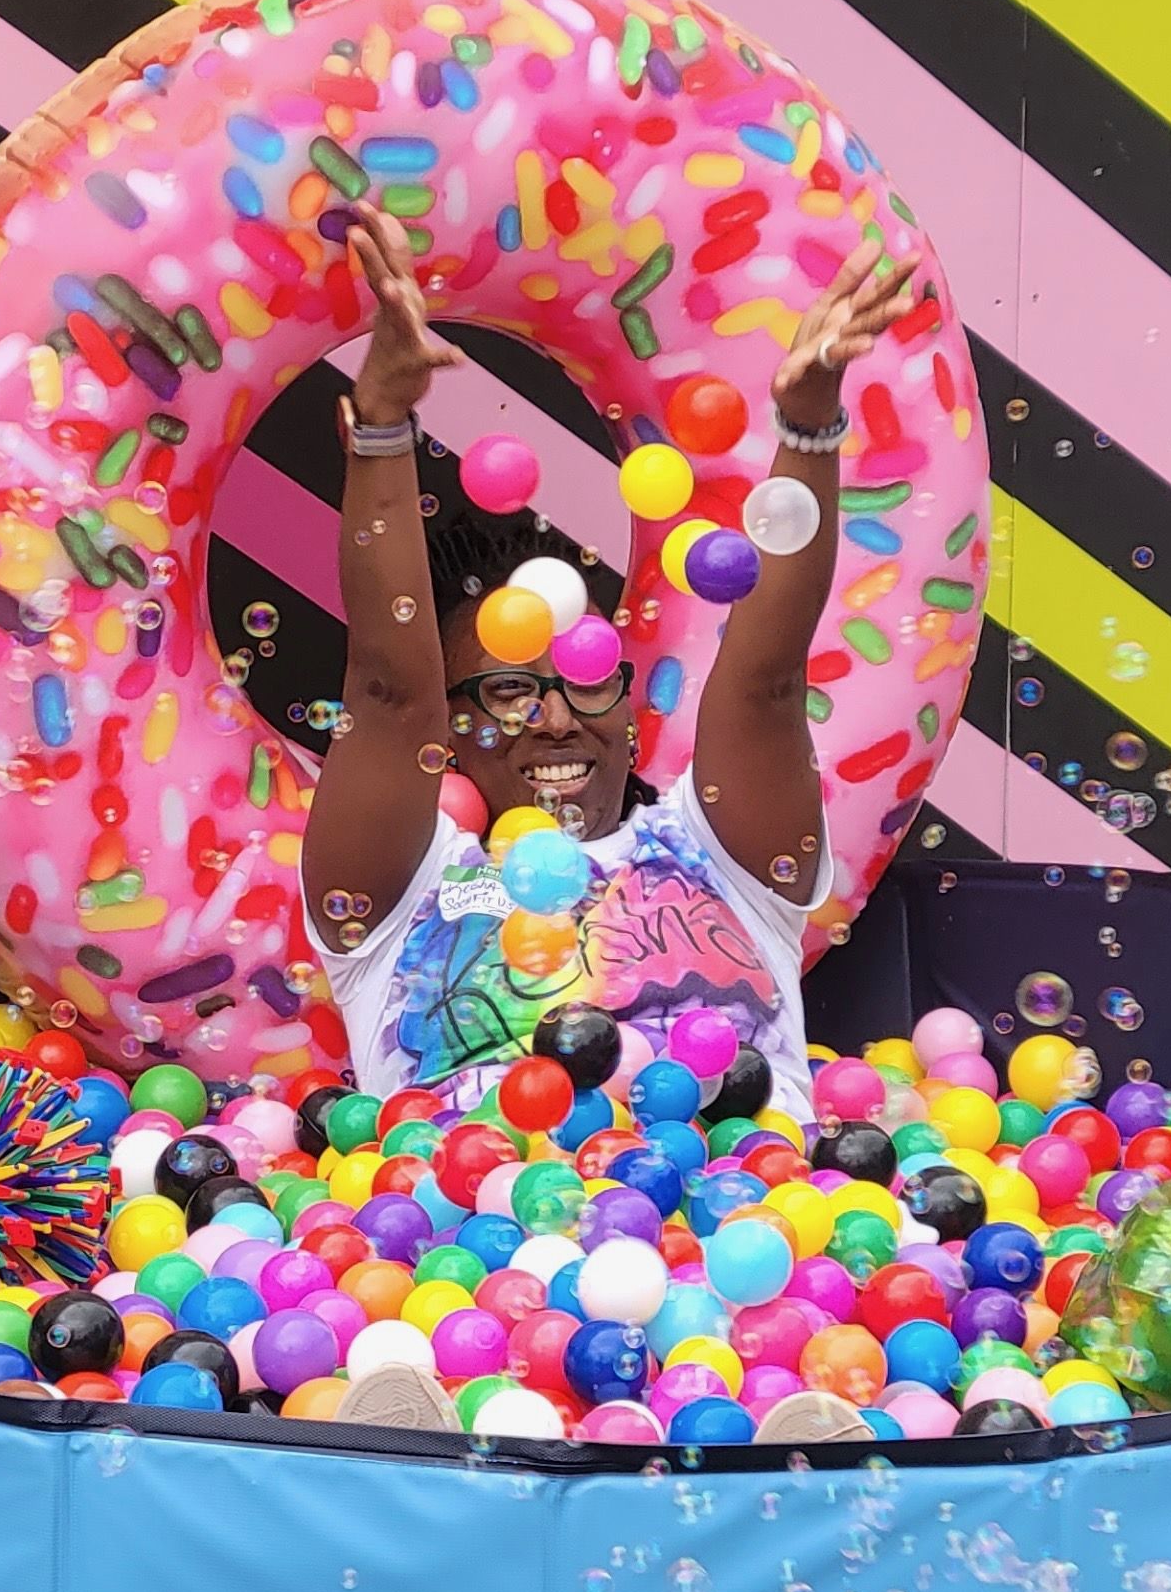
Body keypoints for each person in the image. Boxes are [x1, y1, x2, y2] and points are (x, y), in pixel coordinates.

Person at [300, 205, 923, 1124]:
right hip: (463, 1255)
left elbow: (767, 680)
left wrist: (808, 426)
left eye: (585, 679)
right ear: (449, 737)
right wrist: (383, 421)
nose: (557, 718)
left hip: (754, 1248)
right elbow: (389, 693)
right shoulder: (404, 891)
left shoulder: (721, 854)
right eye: (511, 689)